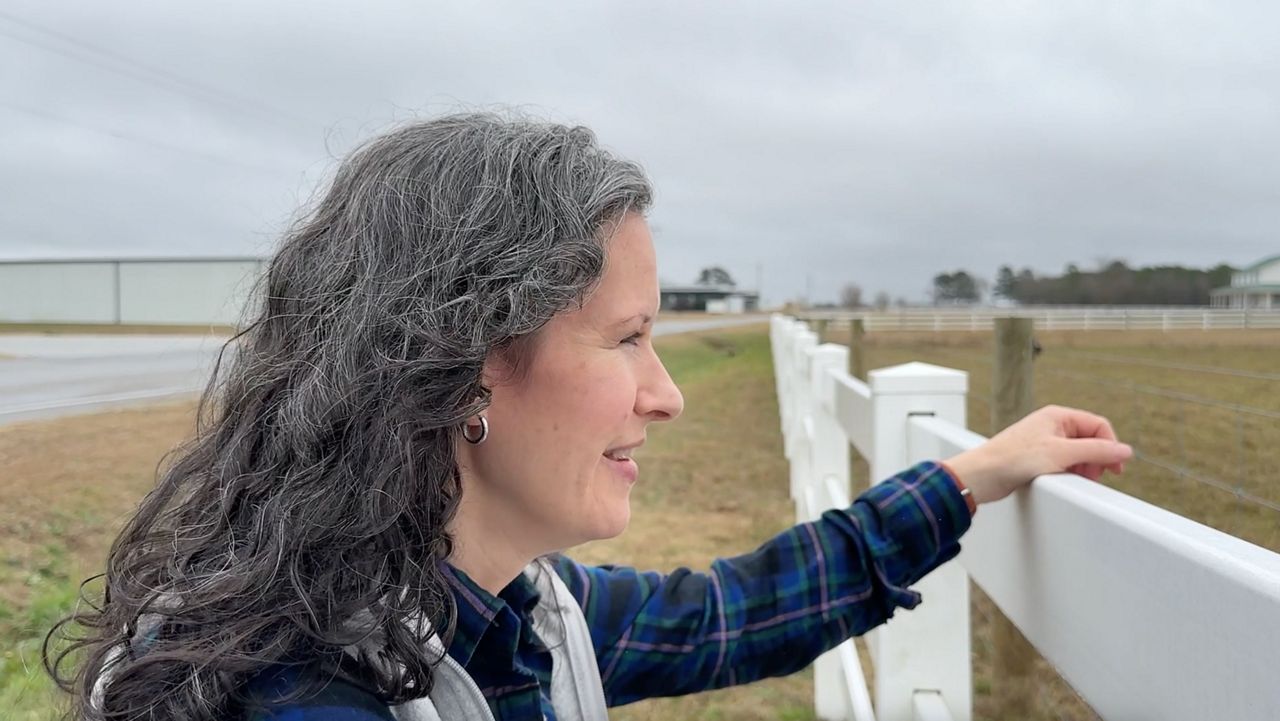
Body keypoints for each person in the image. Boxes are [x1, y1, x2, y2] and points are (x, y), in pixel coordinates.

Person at [47, 113, 1132, 721]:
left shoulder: (519, 610)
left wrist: (964, 479)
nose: (663, 392)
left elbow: (731, 612)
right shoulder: (294, 699)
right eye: (625, 338)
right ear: (463, 363)